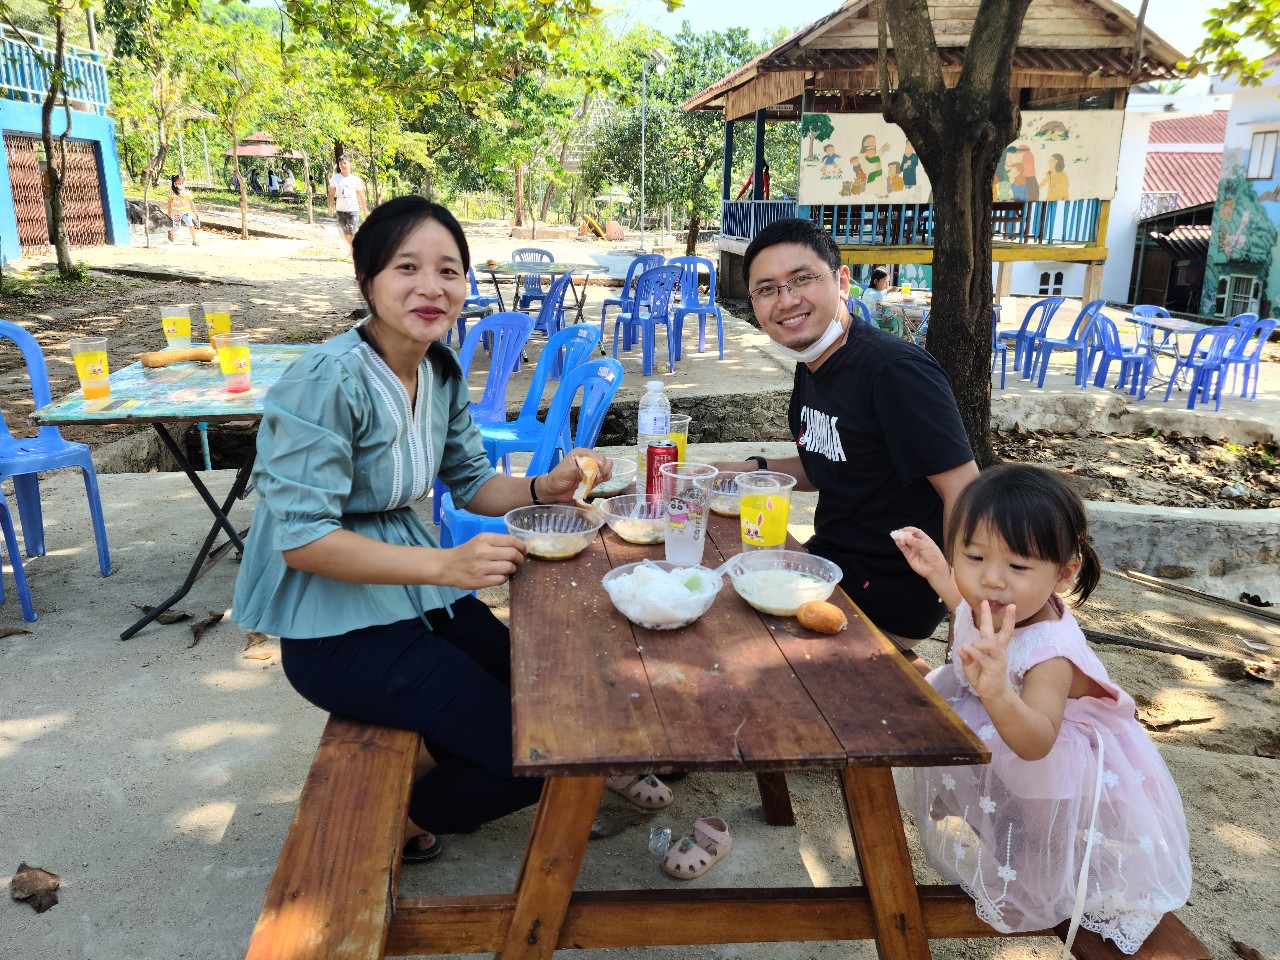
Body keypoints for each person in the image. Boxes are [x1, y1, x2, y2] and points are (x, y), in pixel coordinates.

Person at [232, 196, 612, 861]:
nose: (431, 287)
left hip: (417, 593)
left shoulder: (438, 370)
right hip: (334, 628)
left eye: (449, 270)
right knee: (534, 754)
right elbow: (304, 540)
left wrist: (542, 487)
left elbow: (474, 483)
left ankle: (421, 764)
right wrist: (448, 566)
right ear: (367, 280)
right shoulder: (324, 380)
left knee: (544, 691)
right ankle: (387, 814)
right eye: (407, 267)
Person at [892, 464, 1191, 952]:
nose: (990, 580)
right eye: (973, 556)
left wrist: (997, 693)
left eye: (1017, 566)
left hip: (1053, 753)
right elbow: (965, 604)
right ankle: (988, 814)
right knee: (990, 783)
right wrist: (939, 573)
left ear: (1064, 573)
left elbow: (1035, 744)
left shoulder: (1050, 654)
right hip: (1003, 717)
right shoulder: (993, 600)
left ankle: (1039, 889)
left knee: (1040, 834)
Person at [720, 219, 977, 669]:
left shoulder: (894, 371)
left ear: (841, 281)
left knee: (737, 652)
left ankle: (899, 670)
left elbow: (965, 492)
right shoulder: (813, 360)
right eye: (767, 289)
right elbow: (825, 463)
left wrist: (965, 616)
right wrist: (742, 471)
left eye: (802, 279)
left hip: (890, 587)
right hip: (829, 562)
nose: (787, 300)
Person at [328, 155, 369, 253]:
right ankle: (354, 248)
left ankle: (354, 253)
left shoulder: (355, 180)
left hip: (352, 210)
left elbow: (360, 196)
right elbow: (331, 193)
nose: (343, 165)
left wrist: (365, 212)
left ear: (350, 164)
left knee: (352, 232)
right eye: (340, 163)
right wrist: (330, 206)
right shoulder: (335, 178)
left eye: (345, 163)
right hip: (340, 210)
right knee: (346, 234)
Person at [859, 267, 900, 335]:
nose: (887, 285)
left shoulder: (883, 292)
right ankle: (879, 340)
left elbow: (887, 306)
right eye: (884, 281)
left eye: (888, 282)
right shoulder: (869, 292)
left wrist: (886, 315)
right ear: (875, 281)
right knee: (874, 325)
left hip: (880, 320)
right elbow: (877, 298)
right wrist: (888, 290)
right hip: (867, 319)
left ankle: (896, 339)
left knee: (898, 321)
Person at [166, 174, 200, 246]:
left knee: (190, 225)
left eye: (182, 182)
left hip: (185, 212)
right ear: (175, 183)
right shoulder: (173, 192)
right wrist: (169, 211)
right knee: (177, 228)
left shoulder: (187, 192)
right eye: (179, 183)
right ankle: (171, 232)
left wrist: (195, 211)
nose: (180, 184)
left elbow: (191, 202)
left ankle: (195, 240)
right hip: (176, 213)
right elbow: (169, 202)